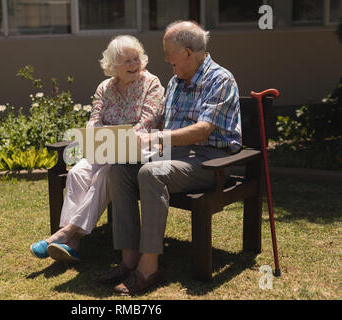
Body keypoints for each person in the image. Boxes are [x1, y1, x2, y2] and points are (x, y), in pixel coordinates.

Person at [98, 21, 242, 295]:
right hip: (172, 155)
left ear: (187, 52)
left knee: (151, 174)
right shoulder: (176, 81)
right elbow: (161, 122)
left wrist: (159, 139)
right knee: (120, 169)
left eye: (169, 52)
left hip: (210, 160)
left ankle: (149, 267)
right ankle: (129, 260)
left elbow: (203, 129)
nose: (165, 59)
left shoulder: (220, 79)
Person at [30, 35, 165, 263]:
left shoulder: (151, 84)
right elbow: (93, 121)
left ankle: (65, 233)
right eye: (127, 61)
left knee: (104, 174)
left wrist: (115, 142)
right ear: (114, 66)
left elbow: (147, 123)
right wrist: (103, 140)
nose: (134, 64)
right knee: (77, 173)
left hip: (139, 153)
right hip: (106, 149)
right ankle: (72, 244)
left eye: (136, 58)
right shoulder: (105, 87)